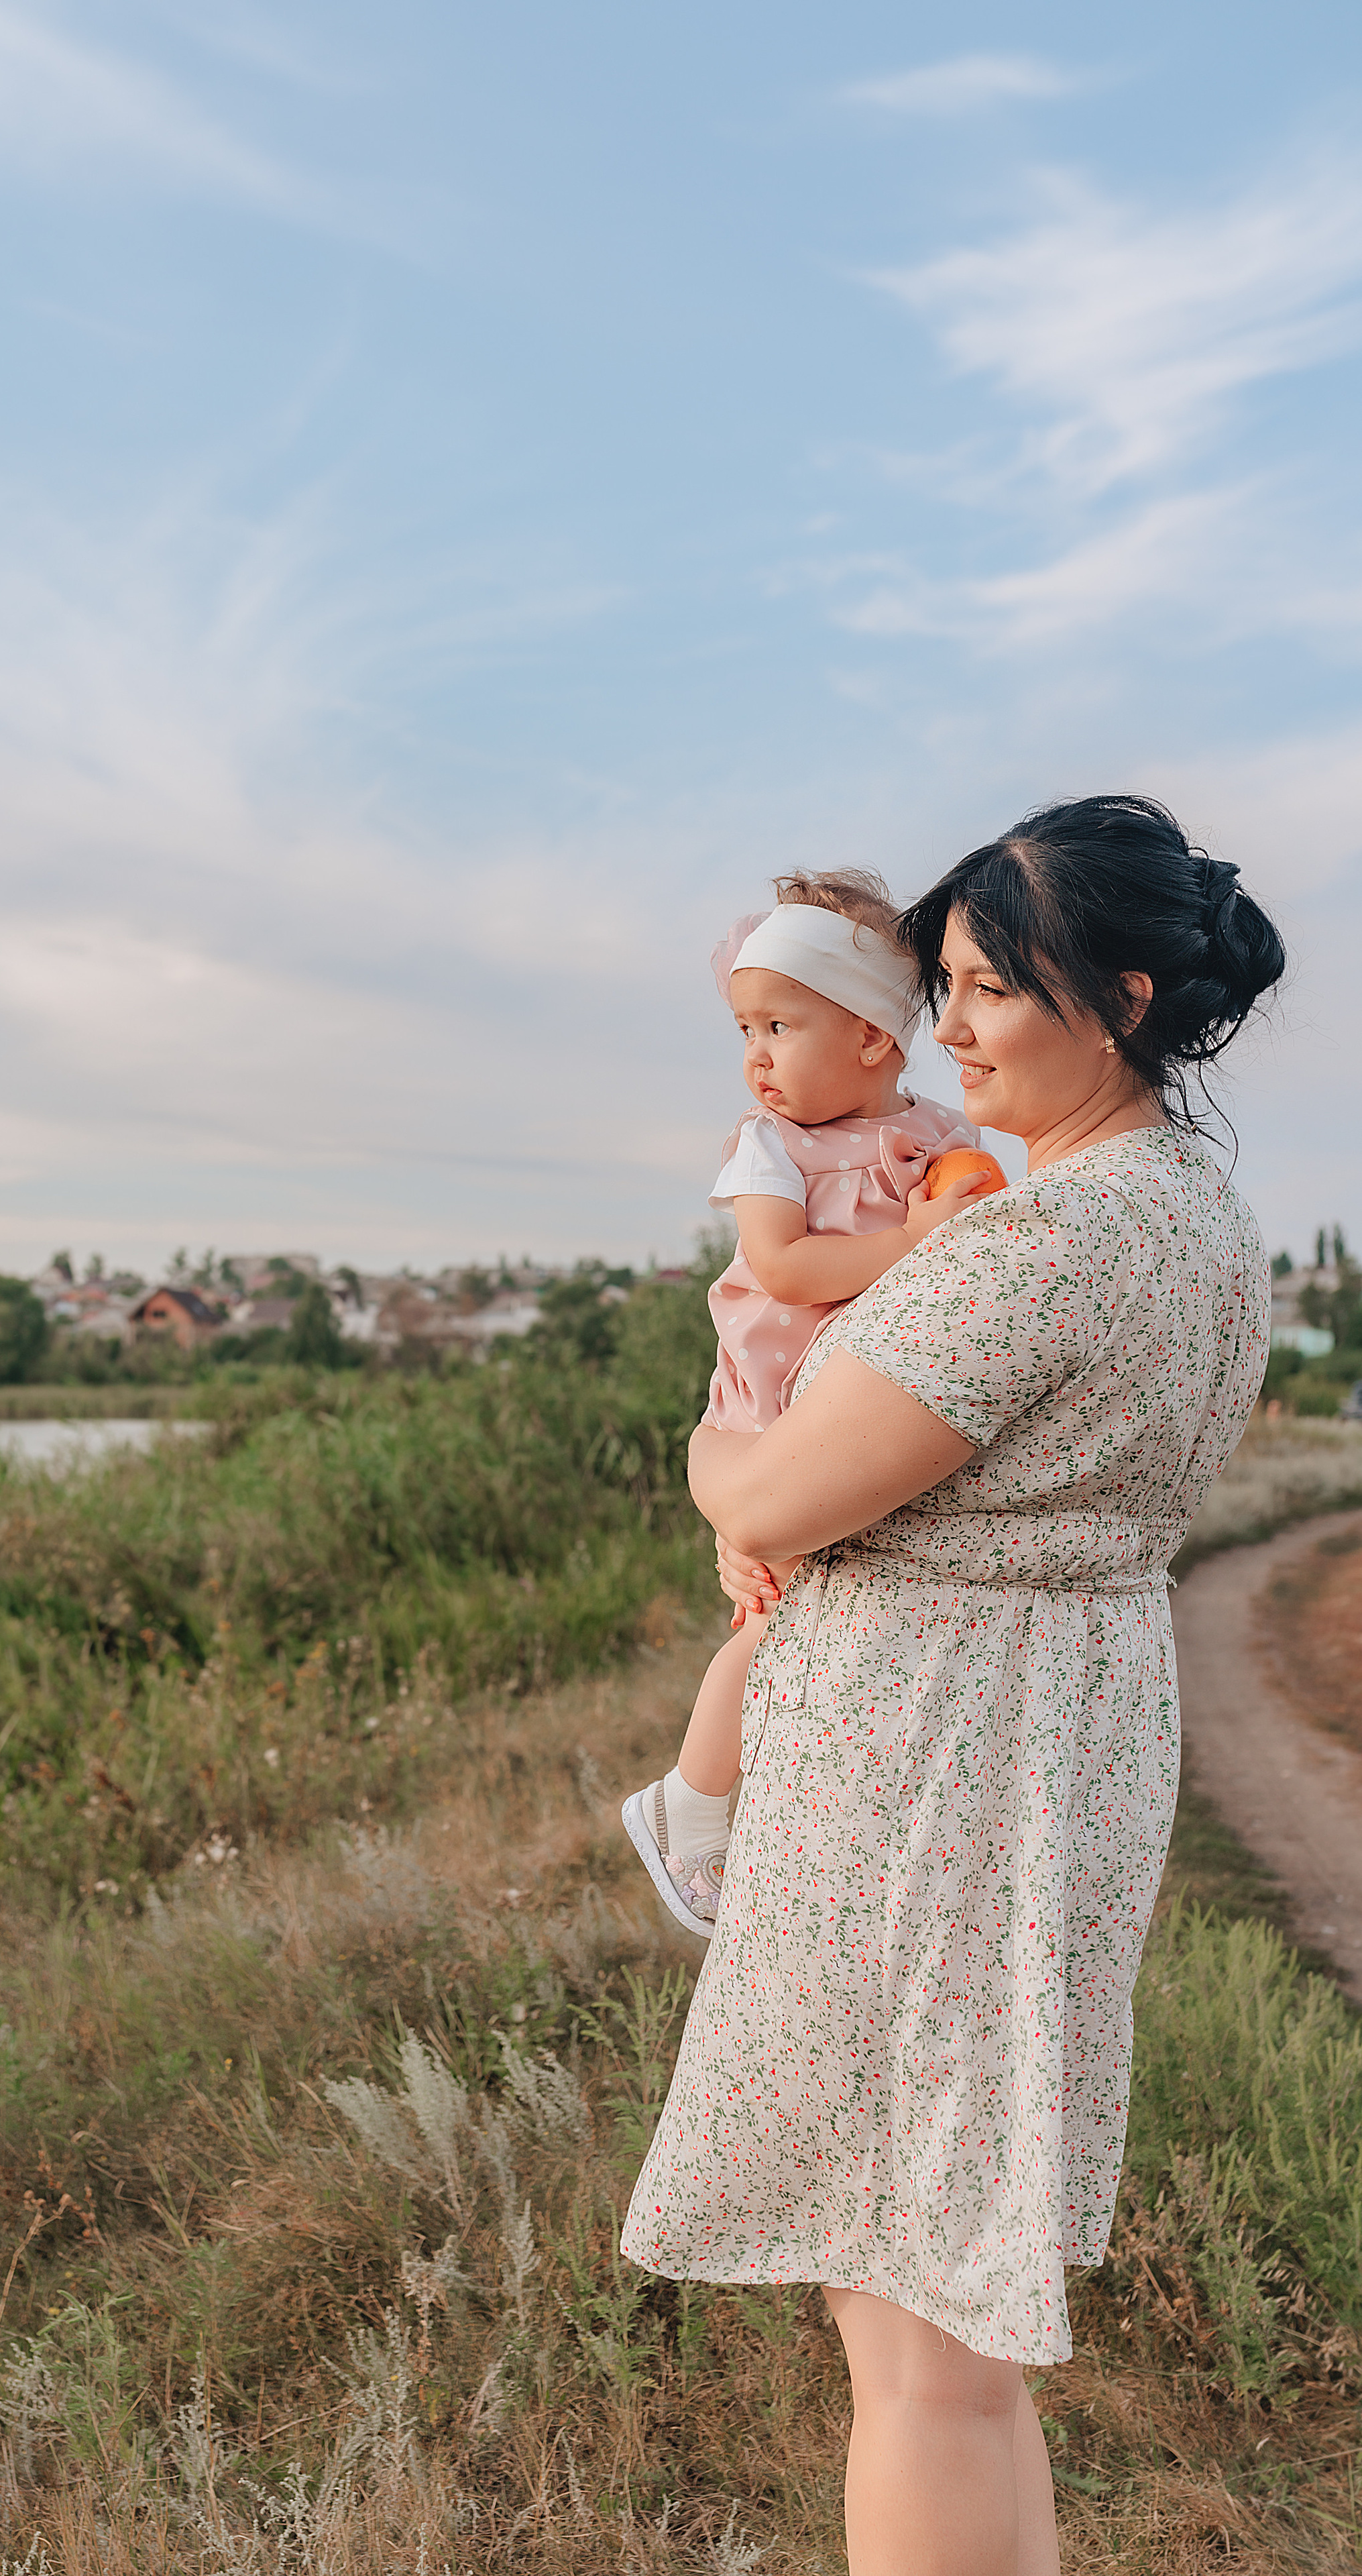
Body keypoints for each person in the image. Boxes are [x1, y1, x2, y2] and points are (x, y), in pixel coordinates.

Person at [622, 796, 1284, 2576]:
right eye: (952, 989)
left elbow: (766, 1495)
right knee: (960, 2339)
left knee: (910, 2339)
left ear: (1122, 1000)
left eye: (994, 989)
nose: (956, 1030)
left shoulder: (1036, 1242)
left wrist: (705, 1455)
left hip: (933, 1775)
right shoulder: (1201, 1215)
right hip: (1051, 1738)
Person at [623, 871, 984, 1936]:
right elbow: (782, 1267)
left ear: (872, 1036)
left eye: (779, 1026)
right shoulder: (768, 1147)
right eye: (746, 1030)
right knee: (770, 1622)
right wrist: (912, 1239)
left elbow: (973, 1225)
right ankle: (689, 1805)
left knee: (804, 1619)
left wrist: (951, 1209)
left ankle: (769, 1810)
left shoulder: (935, 1133)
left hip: (845, 1413)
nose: (757, 1056)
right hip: (762, 1414)